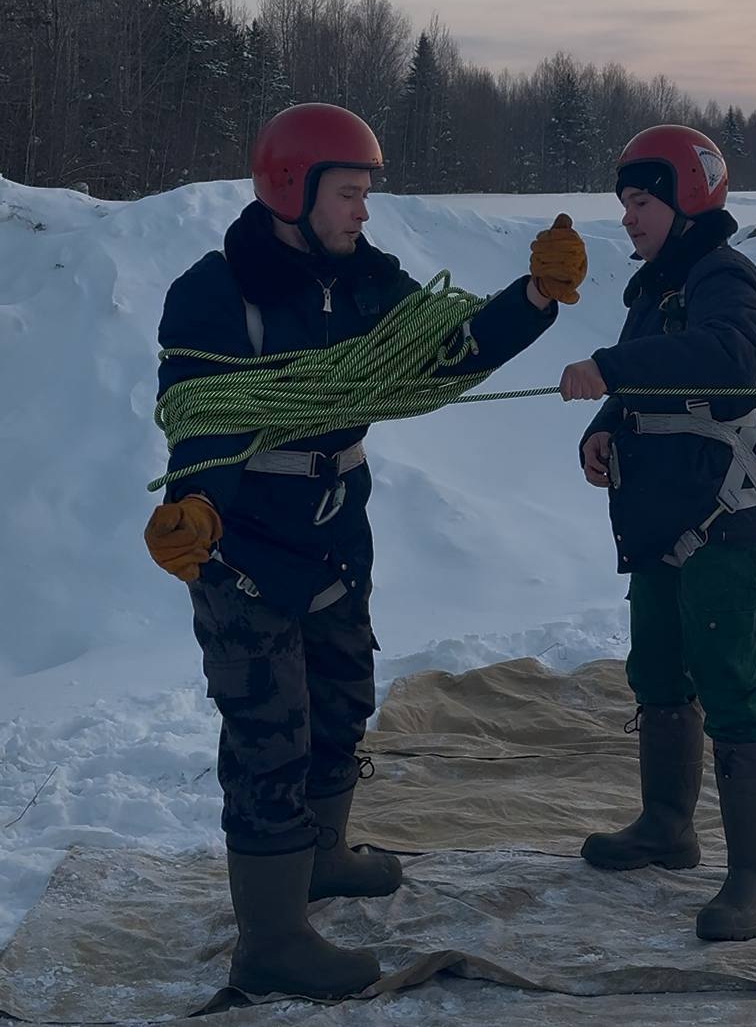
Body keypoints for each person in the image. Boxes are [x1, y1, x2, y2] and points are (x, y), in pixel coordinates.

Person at [143, 103, 586, 998]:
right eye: (348, 193)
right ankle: (269, 943)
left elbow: (445, 356)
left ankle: (322, 855)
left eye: (364, 194)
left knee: (342, 703)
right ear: (291, 189)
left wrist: (534, 299)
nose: (363, 211)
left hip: (339, 532)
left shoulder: (372, 279)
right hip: (246, 545)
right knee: (268, 734)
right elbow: (202, 415)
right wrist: (196, 505)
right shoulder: (217, 289)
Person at [559, 124, 756, 942]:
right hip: (658, 517)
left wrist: (612, 371)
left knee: (727, 678)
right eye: (624, 201)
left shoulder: (726, 278)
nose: (629, 217)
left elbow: (728, 359)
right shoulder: (652, 291)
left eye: (643, 200)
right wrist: (605, 420)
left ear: (688, 198)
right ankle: (668, 828)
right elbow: (648, 373)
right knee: (656, 669)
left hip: (723, 518)